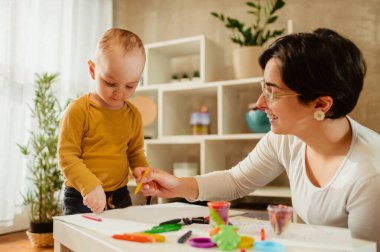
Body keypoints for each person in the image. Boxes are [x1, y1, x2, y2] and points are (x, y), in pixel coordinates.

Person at [135, 28, 380, 248]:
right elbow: (236, 180)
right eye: (264, 88)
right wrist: (178, 185)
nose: (260, 104)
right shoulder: (287, 137)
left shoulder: (370, 177)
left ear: (320, 104)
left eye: (272, 92)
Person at [58, 28, 148, 215]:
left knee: (119, 239)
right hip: (81, 194)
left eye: (130, 85)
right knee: (81, 242)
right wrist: (90, 186)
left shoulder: (133, 115)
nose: (120, 93)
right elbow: (67, 157)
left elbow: (135, 152)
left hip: (120, 196)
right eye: (110, 83)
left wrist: (142, 172)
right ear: (92, 70)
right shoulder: (78, 110)